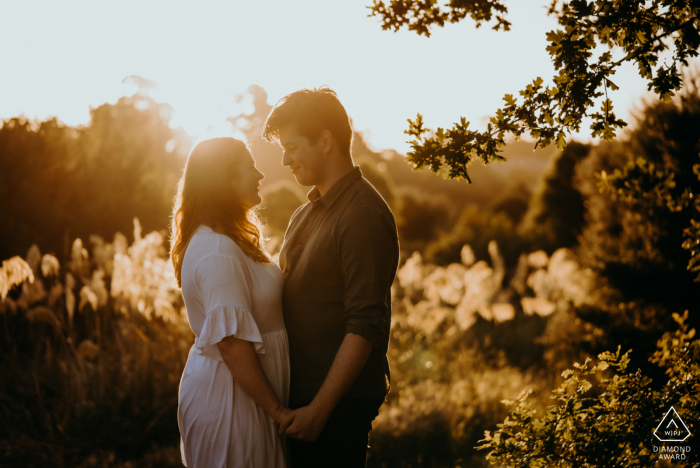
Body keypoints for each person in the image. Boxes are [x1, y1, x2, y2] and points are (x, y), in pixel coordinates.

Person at [263, 88, 400, 468]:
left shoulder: (362, 215)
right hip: (298, 402)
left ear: (325, 141)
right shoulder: (304, 214)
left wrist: (319, 410)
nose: (286, 160)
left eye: (292, 147)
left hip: (334, 411)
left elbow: (365, 324)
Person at [170, 137, 291, 468]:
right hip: (232, 401)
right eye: (249, 167)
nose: (260, 175)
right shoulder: (217, 250)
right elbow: (231, 341)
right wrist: (277, 410)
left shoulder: (227, 241)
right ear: (224, 178)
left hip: (248, 397)